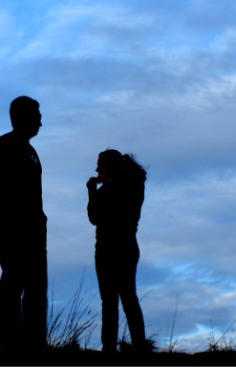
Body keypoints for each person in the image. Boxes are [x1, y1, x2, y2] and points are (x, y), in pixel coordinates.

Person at [0, 96, 47, 352]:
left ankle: (34, 346)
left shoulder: (30, 150)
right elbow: (0, 185)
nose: (40, 123)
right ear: (24, 117)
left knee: (35, 290)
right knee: (14, 285)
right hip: (14, 227)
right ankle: (11, 347)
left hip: (33, 228)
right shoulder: (6, 145)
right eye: (37, 117)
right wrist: (19, 216)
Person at [86, 149, 149, 353]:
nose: (97, 169)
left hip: (111, 248)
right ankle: (136, 347)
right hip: (125, 246)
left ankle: (111, 348)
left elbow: (94, 217)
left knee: (113, 301)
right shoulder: (133, 185)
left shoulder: (115, 188)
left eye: (100, 164)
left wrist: (93, 191)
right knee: (126, 298)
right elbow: (96, 217)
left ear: (110, 166)